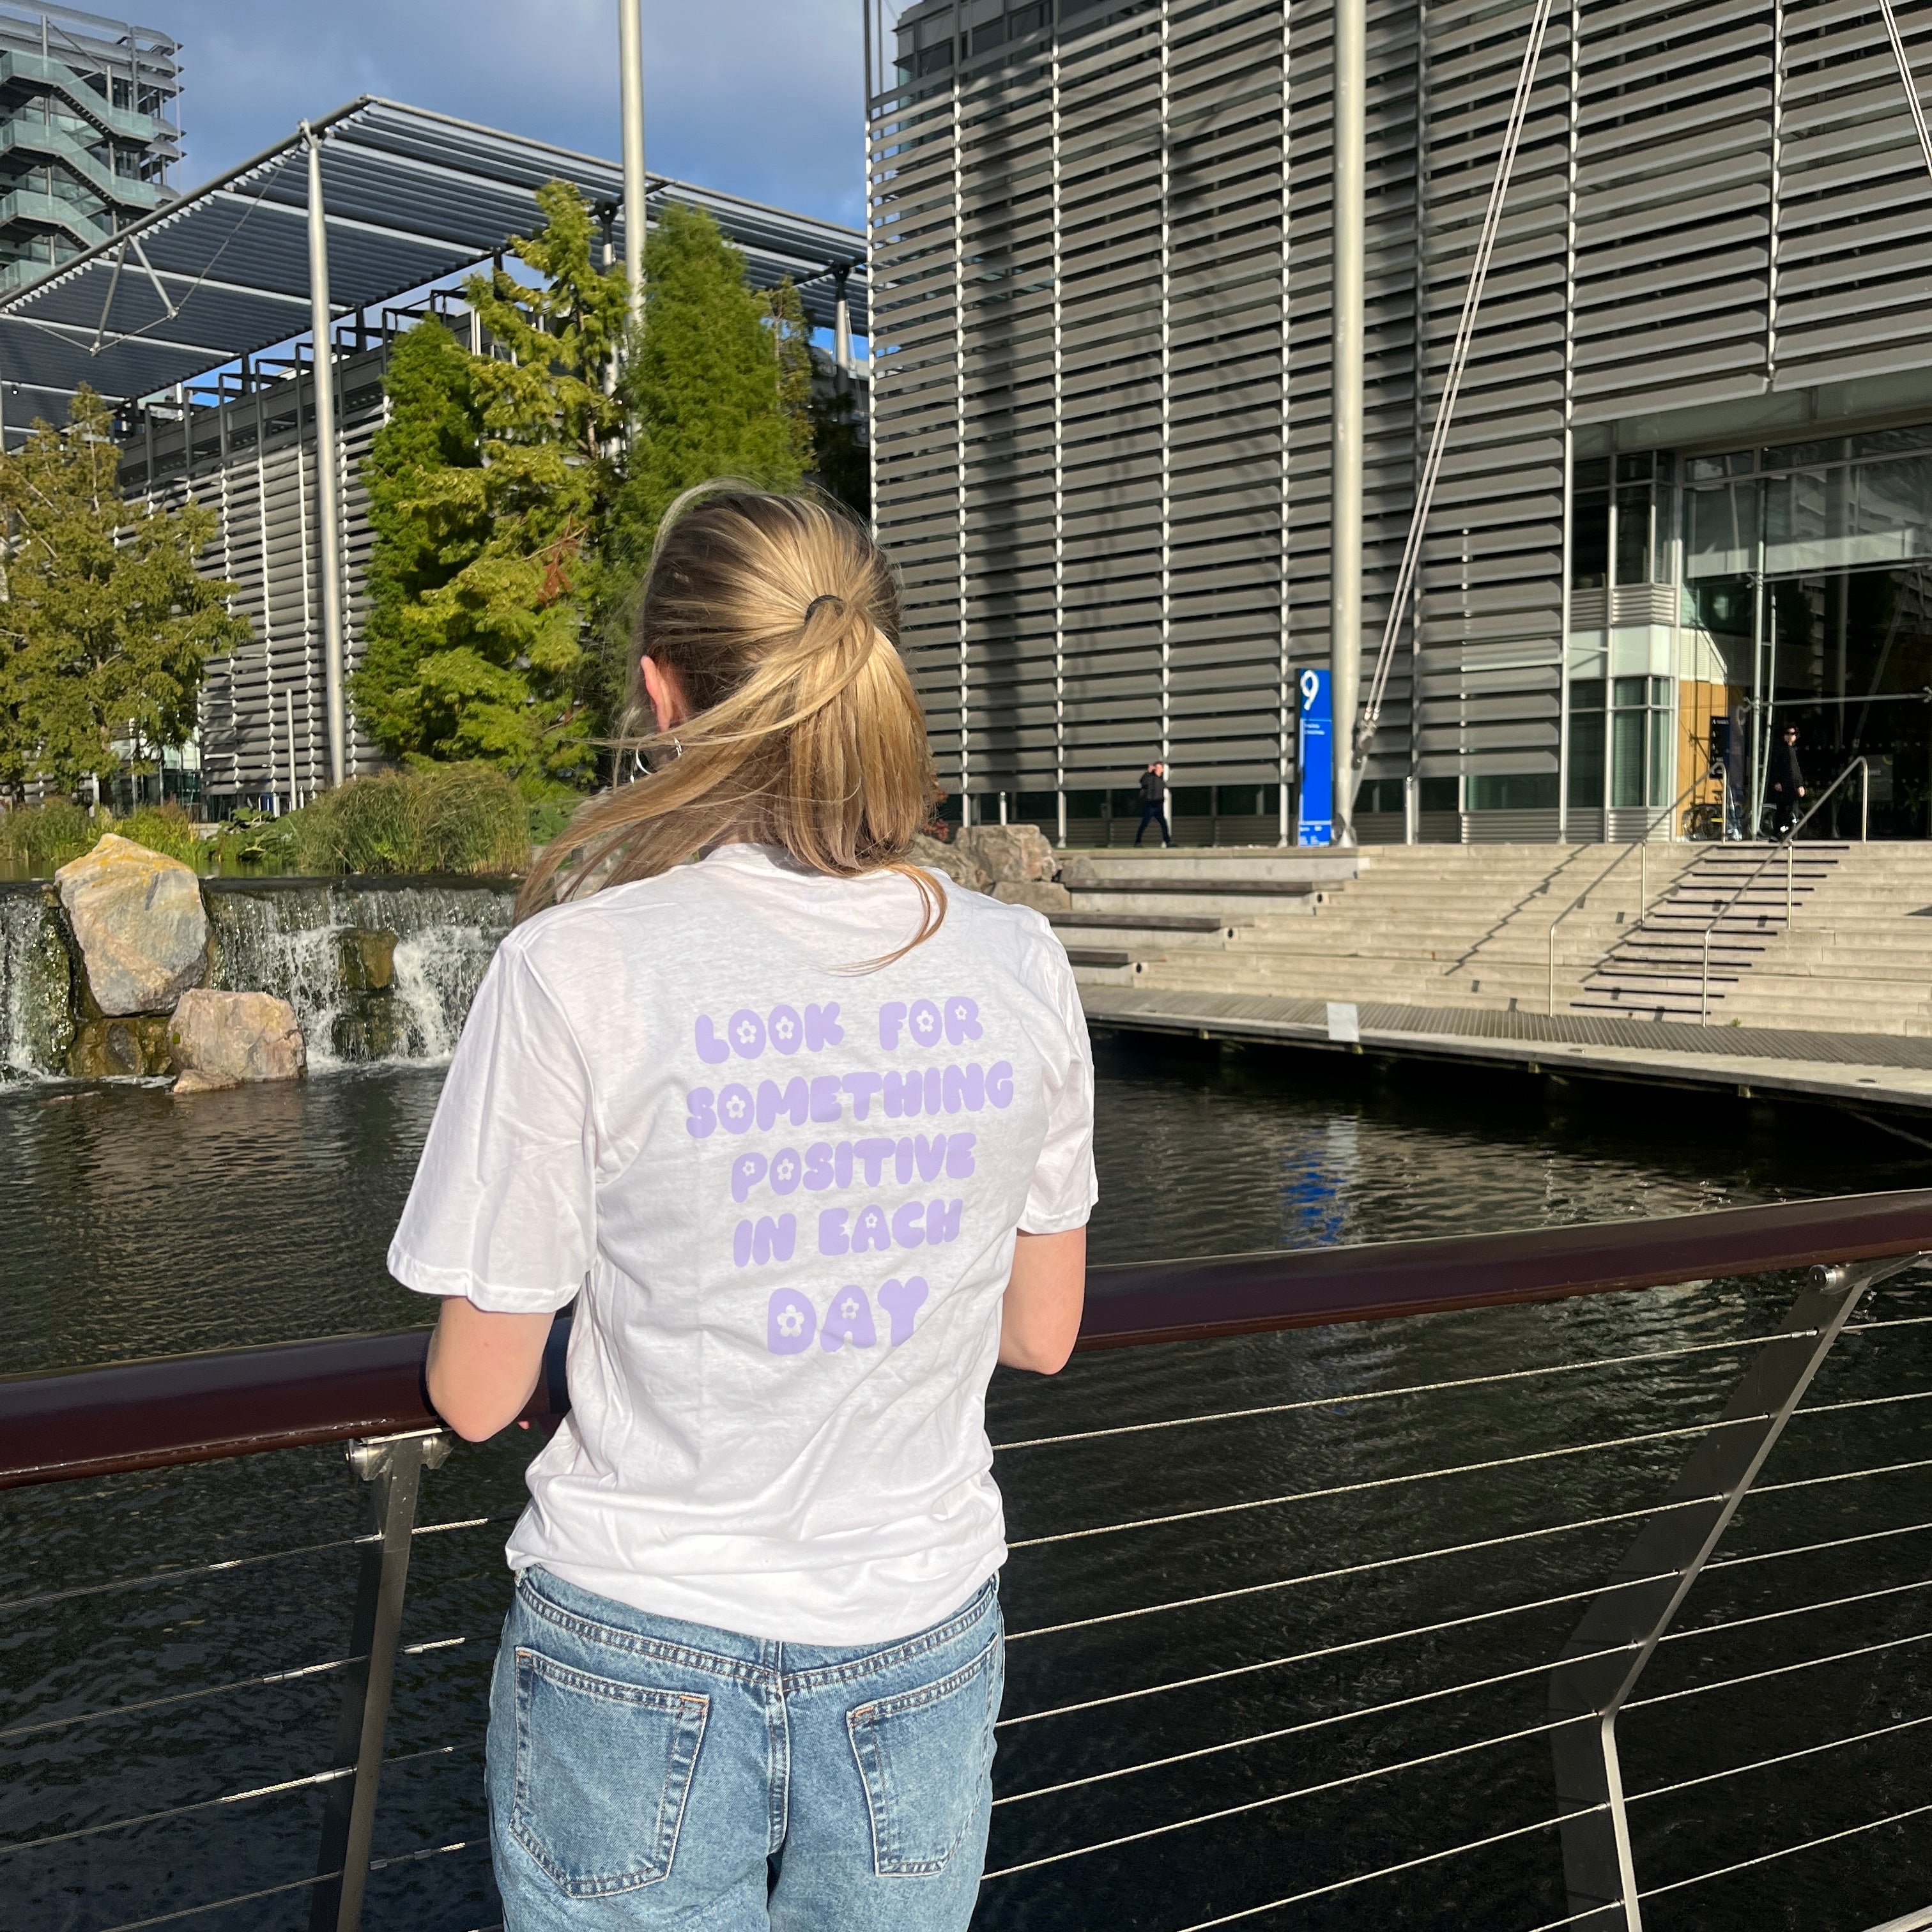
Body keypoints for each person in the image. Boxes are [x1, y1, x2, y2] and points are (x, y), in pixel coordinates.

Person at [387, 486, 1097, 1931]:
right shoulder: (1017, 963)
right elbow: (1042, 1334)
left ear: (662, 689)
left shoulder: (575, 968)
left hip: (638, 1650)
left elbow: (474, 1395)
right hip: (921, 1647)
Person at [1768, 723, 1806, 838]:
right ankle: (1779, 833)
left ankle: (1780, 833)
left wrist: (1799, 784)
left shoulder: (1792, 750)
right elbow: (1777, 767)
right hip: (1785, 786)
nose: (1790, 736)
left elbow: (1795, 770)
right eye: (1787, 734)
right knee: (1784, 811)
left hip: (1789, 786)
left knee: (1787, 811)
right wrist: (1776, 782)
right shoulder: (1782, 750)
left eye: (1792, 734)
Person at [1135, 759, 1172, 845]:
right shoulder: (1150, 778)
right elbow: (1143, 782)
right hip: (1151, 805)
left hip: (1158, 805)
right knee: (1145, 824)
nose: (1160, 769)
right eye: (1159, 767)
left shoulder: (1161, 780)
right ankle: (1138, 841)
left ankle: (1168, 842)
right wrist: (1148, 772)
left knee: (1164, 824)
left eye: (1161, 768)